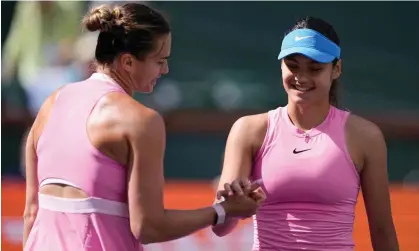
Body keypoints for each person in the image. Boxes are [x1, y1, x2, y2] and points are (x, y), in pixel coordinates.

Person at [22, 3, 265, 251]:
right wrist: (223, 211)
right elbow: (148, 227)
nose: (165, 69)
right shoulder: (141, 121)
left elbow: (32, 213)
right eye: (160, 61)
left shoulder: (52, 102)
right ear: (127, 62)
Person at [212, 16, 399, 251]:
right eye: (292, 66)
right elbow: (220, 228)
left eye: (315, 68)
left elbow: (382, 230)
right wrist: (230, 207)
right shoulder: (248, 130)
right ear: (280, 66)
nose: (301, 77)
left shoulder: (366, 136)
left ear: (336, 69)